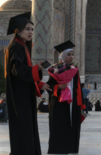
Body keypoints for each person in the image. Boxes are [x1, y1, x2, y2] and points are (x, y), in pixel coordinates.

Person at [4, 13, 52, 155]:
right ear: (18, 31)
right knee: (23, 129)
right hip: (20, 97)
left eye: (32, 29)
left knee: (26, 128)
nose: (31, 32)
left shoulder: (21, 46)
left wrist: (39, 84)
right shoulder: (16, 47)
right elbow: (17, 69)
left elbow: (24, 73)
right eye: (28, 29)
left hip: (23, 94)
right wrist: (37, 69)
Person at [46, 40, 86, 154]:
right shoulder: (56, 69)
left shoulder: (74, 70)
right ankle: (59, 149)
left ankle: (70, 148)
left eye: (72, 54)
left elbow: (78, 88)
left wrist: (81, 104)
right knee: (60, 127)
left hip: (73, 104)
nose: (71, 57)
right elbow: (49, 86)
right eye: (68, 54)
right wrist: (59, 87)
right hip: (60, 104)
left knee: (72, 126)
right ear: (62, 56)